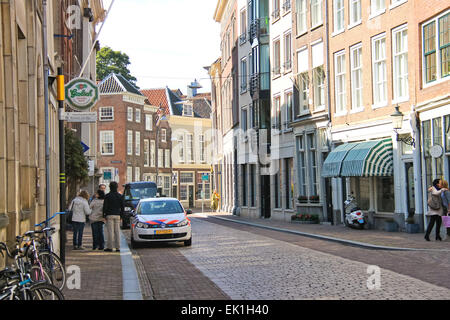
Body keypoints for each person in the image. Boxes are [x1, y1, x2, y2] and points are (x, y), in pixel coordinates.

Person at [103, 181, 124, 252]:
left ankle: (110, 247)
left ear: (110, 187)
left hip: (109, 214)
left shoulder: (107, 196)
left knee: (110, 232)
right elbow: (122, 207)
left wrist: (104, 214)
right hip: (117, 214)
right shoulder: (120, 196)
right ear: (117, 187)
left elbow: (105, 206)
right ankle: (118, 247)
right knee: (117, 231)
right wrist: (121, 215)